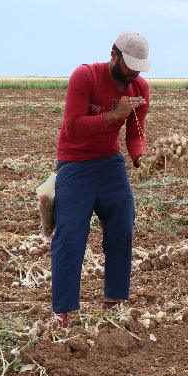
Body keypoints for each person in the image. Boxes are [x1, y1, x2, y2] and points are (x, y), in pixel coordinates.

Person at [50, 31, 151, 328]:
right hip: (75, 164)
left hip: (111, 164)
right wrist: (113, 114)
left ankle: (114, 300)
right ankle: (62, 311)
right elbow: (71, 127)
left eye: (138, 68)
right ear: (114, 55)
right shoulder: (86, 76)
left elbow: (135, 135)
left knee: (122, 229)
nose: (133, 73)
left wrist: (141, 158)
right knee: (70, 237)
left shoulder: (139, 87)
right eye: (129, 65)